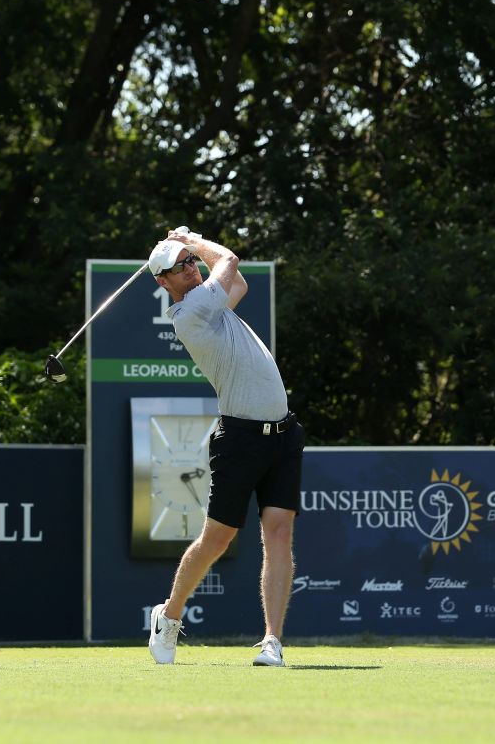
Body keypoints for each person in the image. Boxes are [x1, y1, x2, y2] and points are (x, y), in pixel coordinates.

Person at [145, 227, 304, 667]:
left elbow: (239, 283)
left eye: (190, 261)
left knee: (279, 531)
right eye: (180, 266)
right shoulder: (190, 312)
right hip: (240, 438)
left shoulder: (210, 304)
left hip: (284, 434)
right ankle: (169, 615)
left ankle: (272, 640)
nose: (190, 267)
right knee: (218, 538)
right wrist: (194, 238)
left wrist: (191, 248)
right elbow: (230, 262)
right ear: (164, 283)